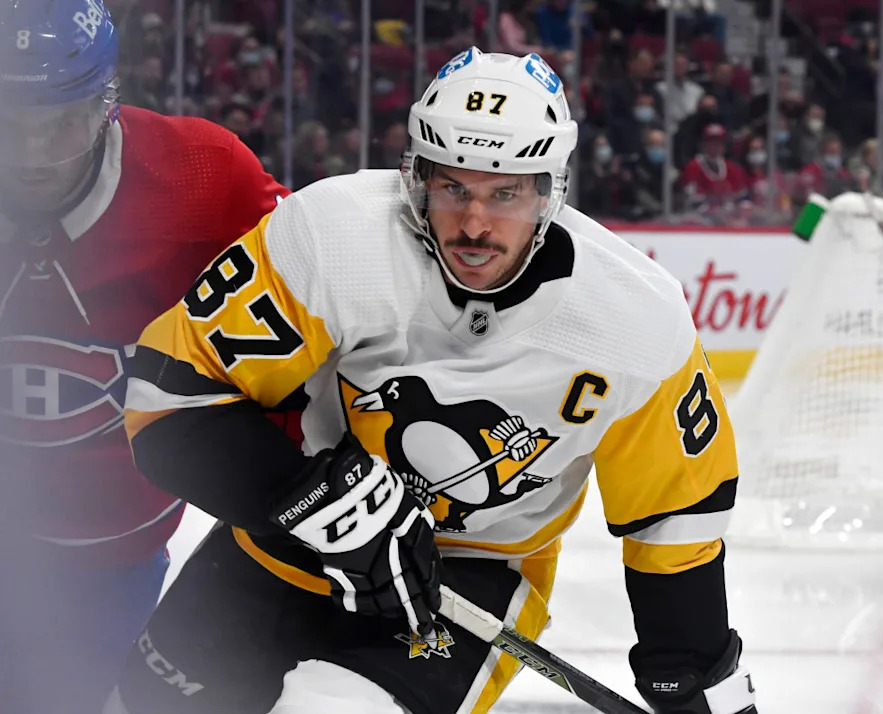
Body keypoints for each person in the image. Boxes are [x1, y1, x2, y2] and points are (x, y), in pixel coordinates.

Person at [109, 48, 758, 714]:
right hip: (293, 536)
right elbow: (167, 400)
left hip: (473, 573)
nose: (475, 225)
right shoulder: (332, 236)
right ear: (415, 177)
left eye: (505, 194)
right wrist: (313, 498)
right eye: (454, 189)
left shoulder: (636, 320)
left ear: (549, 191)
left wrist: (690, 676)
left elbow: (675, 515)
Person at [0, 2, 290, 712]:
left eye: (59, 123)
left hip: (114, 553)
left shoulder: (203, 177)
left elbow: (323, 294)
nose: (33, 154)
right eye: (10, 124)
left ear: (106, 104)